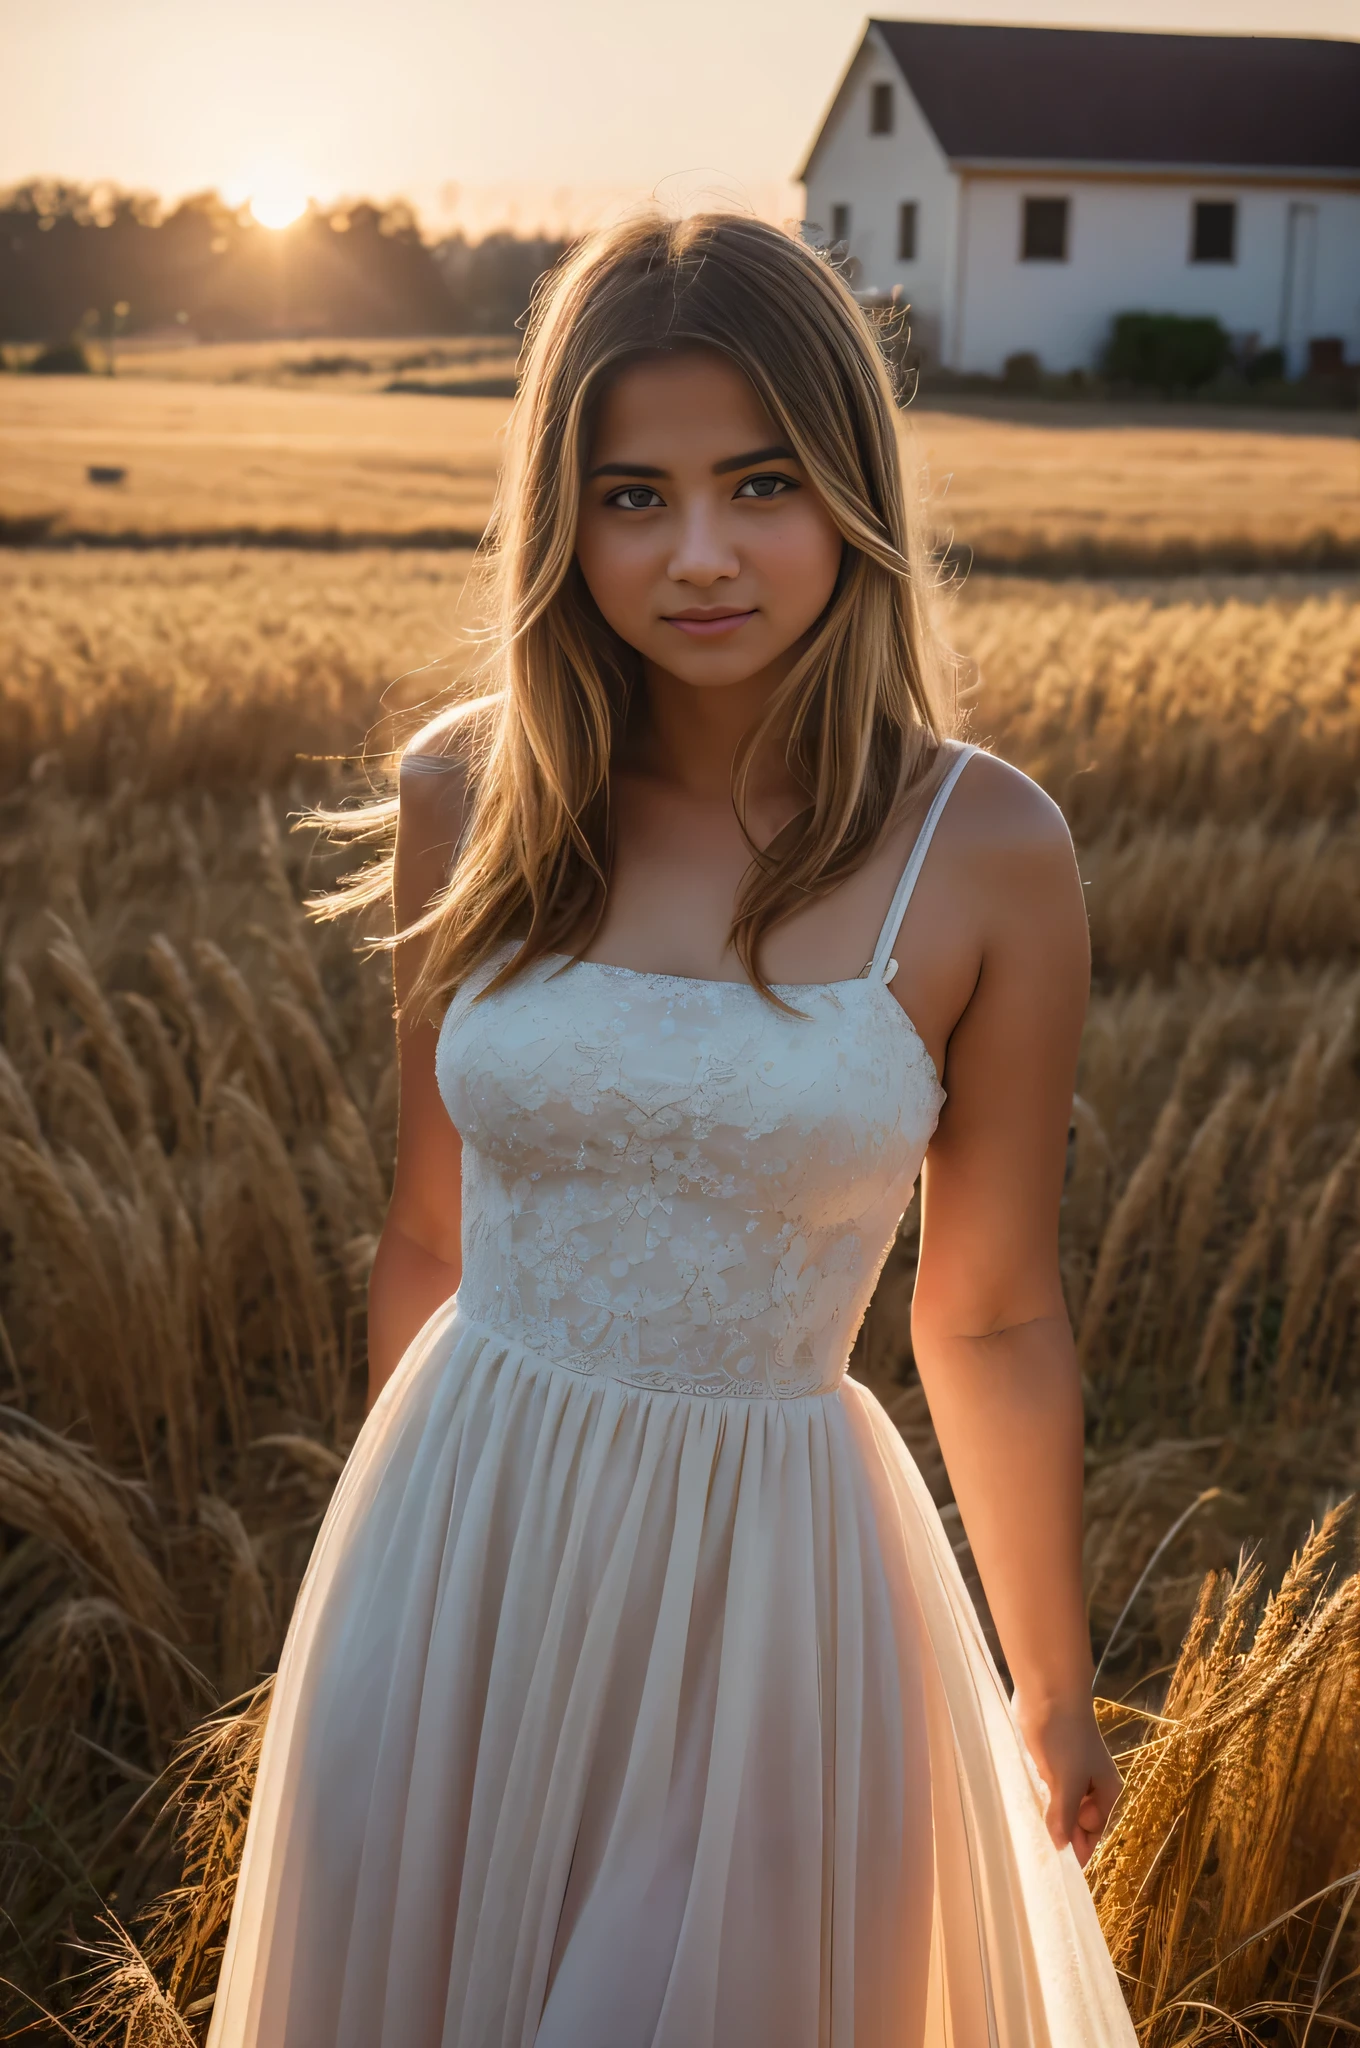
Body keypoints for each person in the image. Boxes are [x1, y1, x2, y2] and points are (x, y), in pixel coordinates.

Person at [206, 211, 1137, 2047]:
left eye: (761, 484)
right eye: (632, 496)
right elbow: (429, 1232)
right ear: (564, 517)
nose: (697, 555)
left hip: (771, 1598)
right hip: (458, 1548)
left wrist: (1052, 1679)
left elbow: (992, 1309)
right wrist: (380, 1582)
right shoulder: (465, 789)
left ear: (852, 491)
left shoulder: (988, 849)